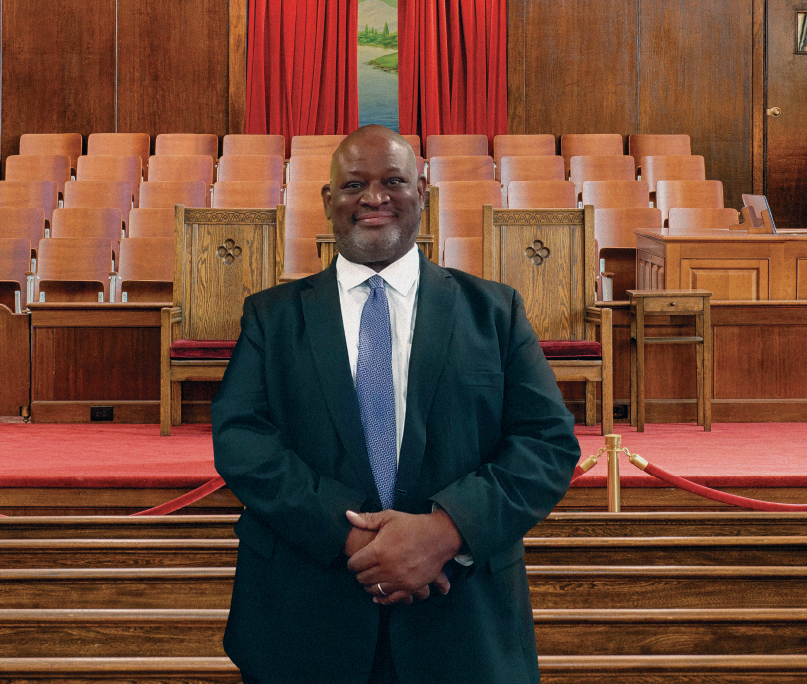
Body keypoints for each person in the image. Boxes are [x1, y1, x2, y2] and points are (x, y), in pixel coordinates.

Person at [211, 124, 580, 684]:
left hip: (462, 621)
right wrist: (353, 535)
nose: (374, 197)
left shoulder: (494, 313)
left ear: (422, 193)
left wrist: (445, 530)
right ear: (328, 199)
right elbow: (242, 442)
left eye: (393, 181)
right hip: (304, 618)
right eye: (355, 183)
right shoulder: (272, 316)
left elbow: (546, 443)